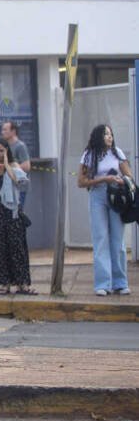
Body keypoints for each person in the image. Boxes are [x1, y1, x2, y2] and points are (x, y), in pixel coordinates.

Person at [78, 124, 132, 297]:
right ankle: (103, 284)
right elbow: (81, 181)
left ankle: (120, 283)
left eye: (111, 134)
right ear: (98, 137)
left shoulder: (117, 153)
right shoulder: (89, 154)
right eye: (105, 134)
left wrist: (120, 180)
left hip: (116, 196)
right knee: (100, 239)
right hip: (98, 196)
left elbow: (129, 176)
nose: (109, 137)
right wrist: (103, 178)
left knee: (118, 240)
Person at [0, 137, 33, 295]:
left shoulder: (14, 166)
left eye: (2, 150)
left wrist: (8, 166)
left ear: (7, 151)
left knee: (17, 246)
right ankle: (4, 282)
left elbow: (21, 184)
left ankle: (22, 282)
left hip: (12, 211)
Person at [1, 120, 31, 208]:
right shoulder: (5, 146)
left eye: (5, 130)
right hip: (8, 187)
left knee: (16, 214)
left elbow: (27, 166)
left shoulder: (20, 146)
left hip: (19, 188)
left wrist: (9, 167)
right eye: (2, 130)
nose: (2, 132)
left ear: (13, 131)